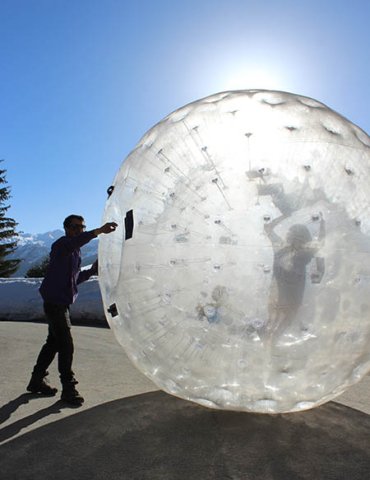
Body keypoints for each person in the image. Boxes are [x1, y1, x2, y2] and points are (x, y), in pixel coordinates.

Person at [26, 214, 117, 405]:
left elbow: (72, 279)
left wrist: (92, 271)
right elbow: (73, 244)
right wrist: (98, 231)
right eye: (76, 227)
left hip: (61, 302)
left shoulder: (75, 252)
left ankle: (36, 381)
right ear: (67, 228)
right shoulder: (61, 245)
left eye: (82, 227)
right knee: (66, 344)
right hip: (54, 303)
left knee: (53, 343)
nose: (80, 230)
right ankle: (68, 389)